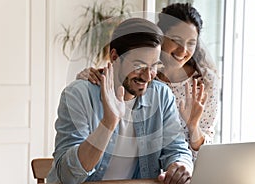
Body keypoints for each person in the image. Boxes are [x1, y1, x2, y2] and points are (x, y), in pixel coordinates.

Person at [47, 17, 194, 184]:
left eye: (154, 66)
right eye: (139, 65)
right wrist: (108, 123)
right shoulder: (78, 95)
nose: (147, 76)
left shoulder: (162, 96)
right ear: (114, 56)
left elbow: (177, 149)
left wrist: (180, 166)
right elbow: (68, 176)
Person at [76, 3, 219, 160]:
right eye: (176, 40)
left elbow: (208, 149)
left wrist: (193, 127)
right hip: (148, 169)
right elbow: (113, 73)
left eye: (191, 43)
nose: (183, 50)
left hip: (186, 169)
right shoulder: (145, 77)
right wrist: (88, 76)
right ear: (161, 37)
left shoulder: (204, 82)